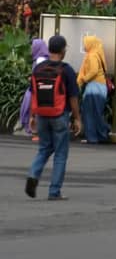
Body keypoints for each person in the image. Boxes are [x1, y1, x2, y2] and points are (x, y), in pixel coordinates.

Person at [25, 35, 81, 200]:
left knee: (44, 148)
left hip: (42, 114)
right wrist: (77, 118)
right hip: (59, 115)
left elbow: (33, 93)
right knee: (61, 154)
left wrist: (32, 116)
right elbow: (73, 97)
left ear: (50, 49)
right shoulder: (66, 70)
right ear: (63, 50)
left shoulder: (38, 69)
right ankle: (54, 191)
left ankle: (33, 175)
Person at [77, 33, 111, 144]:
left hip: (94, 87)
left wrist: (83, 79)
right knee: (96, 112)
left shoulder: (92, 56)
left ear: (90, 44)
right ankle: (101, 135)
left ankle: (94, 136)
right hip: (100, 87)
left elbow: (93, 71)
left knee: (89, 112)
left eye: (85, 43)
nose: (84, 45)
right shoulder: (98, 54)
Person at [17, 38, 49, 138]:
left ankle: (33, 129)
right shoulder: (44, 59)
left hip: (36, 90)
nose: (31, 48)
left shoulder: (40, 60)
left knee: (31, 106)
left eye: (33, 46)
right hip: (40, 88)